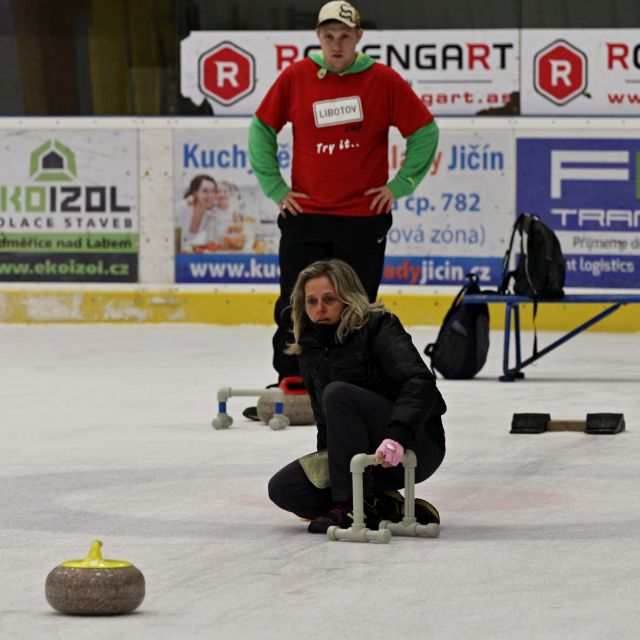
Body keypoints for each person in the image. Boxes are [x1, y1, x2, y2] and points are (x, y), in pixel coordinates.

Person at [248, 1, 439, 390]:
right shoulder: (297, 77)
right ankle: (293, 378)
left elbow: (424, 131)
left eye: (345, 37)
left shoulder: (382, 80)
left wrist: (400, 185)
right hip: (306, 216)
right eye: (329, 36)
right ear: (318, 37)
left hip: (362, 219)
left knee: (357, 304)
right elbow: (261, 129)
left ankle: (351, 381)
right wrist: (276, 187)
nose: (337, 44)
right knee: (295, 301)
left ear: (359, 37)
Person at [268, 259, 446, 533]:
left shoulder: (378, 325)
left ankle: (352, 505)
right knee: (284, 489)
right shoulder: (310, 345)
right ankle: (380, 504)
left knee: (339, 394)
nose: (319, 308)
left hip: (414, 444)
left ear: (347, 297)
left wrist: (397, 436)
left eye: (329, 299)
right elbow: (326, 423)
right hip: (362, 457)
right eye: (312, 301)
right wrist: (327, 475)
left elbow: (420, 382)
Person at [176, 175, 217, 252]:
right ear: (195, 193)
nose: (210, 195)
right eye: (205, 191)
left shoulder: (209, 214)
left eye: (213, 191)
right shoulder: (182, 208)